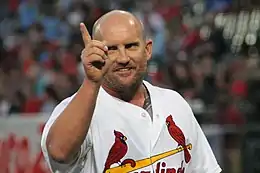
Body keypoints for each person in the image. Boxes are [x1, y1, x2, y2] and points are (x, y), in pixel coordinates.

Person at [41, 10, 222, 173]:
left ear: (148, 49)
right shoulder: (76, 110)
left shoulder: (174, 102)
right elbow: (59, 152)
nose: (123, 58)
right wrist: (91, 81)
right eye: (111, 49)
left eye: (131, 46)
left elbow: (205, 168)